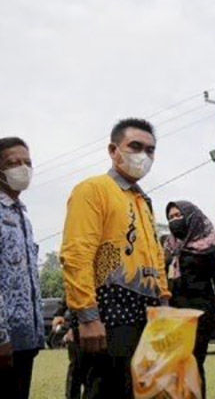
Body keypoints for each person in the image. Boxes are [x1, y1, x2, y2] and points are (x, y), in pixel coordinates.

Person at [60, 118, 171, 399]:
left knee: (141, 390)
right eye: (135, 146)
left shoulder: (142, 200)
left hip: (147, 311)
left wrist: (164, 302)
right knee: (108, 390)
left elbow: (155, 256)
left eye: (150, 150)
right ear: (113, 150)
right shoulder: (92, 189)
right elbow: (76, 254)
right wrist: (87, 316)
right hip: (108, 309)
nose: (143, 155)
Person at [0, 137, 43, 399]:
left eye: (27, 162)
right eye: (13, 163)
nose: (23, 169)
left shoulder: (22, 216)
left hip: (25, 339)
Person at [162, 200, 215, 398]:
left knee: (193, 364)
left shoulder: (210, 245)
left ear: (191, 217)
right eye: (170, 217)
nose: (174, 221)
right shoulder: (169, 246)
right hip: (173, 315)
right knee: (175, 367)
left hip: (200, 315)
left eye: (178, 215)